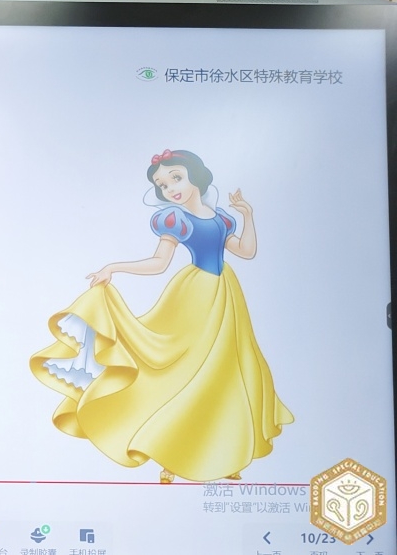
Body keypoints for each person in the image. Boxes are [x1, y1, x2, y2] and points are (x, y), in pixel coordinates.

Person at [29, 150, 293, 483]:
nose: (170, 189)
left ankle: (224, 455)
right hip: (194, 297)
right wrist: (114, 267)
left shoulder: (223, 219)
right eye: (163, 185)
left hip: (226, 296)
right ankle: (173, 456)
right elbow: (158, 263)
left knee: (226, 374)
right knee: (184, 373)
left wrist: (248, 215)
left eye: (175, 178)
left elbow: (247, 251)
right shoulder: (174, 220)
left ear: (196, 177)